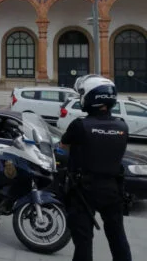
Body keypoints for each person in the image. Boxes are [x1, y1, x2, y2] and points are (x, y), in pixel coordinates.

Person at [59, 74, 132, 261]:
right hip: (113, 190)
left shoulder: (80, 125)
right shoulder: (122, 125)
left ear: (90, 97)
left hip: (84, 191)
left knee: (83, 242)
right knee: (117, 237)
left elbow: (63, 146)